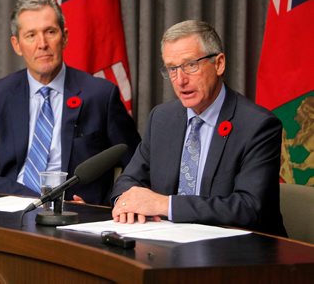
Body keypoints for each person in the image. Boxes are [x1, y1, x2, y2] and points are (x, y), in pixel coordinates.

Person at [111, 20, 287, 236]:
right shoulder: (162, 119)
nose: (180, 80)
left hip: (240, 255)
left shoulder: (257, 126)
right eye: (172, 69)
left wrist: (166, 205)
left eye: (191, 65)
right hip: (169, 247)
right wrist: (127, 202)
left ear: (219, 63)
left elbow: (249, 207)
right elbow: (129, 180)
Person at [0, 0, 141, 205]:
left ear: (64, 37)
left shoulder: (100, 95)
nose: (42, 44)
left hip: (77, 215)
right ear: (17, 44)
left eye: (50, 32)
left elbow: (137, 166)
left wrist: (103, 207)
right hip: (11, 210)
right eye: (31, 35)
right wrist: (38, 200)